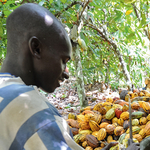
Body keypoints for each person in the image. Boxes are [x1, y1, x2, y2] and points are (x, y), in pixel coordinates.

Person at [0, 3, 140, 150]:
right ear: (36, 49)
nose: (66, 73)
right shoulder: (32, 110)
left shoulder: (4, 91)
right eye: (63, 61)